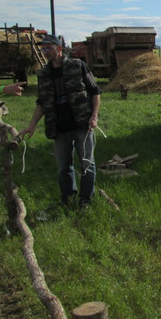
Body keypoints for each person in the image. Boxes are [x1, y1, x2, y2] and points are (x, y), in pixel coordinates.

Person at [20, 35, 101, 208]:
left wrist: (94, 116)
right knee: (64, 168)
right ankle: (68, 198)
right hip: (59, 128)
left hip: (82, 125)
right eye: (43, 49)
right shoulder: (43, 74)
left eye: (48, 48)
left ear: (59, 49)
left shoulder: (78, 66)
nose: (45, 52)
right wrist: (32, 125)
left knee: (87, 165)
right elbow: (41, 102)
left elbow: (95, 91)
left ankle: (85, 200)